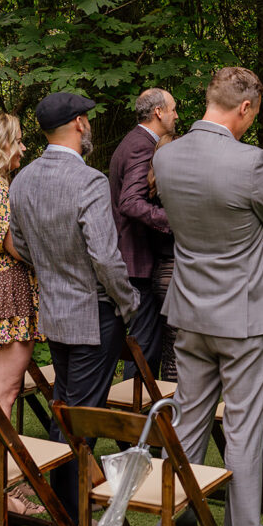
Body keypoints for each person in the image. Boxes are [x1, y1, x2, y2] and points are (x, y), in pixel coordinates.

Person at [152, 67, 263, 526]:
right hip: (242, 317)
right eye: (254, 115)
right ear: (244, 109)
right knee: (242, 430)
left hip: (188, 312)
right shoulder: (254, 165)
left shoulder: (166, 155)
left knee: (189, 420)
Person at [7, 92, 139, 523]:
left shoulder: (23, 178)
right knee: (78, 420)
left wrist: (53, 269)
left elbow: (21, 244)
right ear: (80, 123)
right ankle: (67, 516)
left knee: (66, 407)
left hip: (55, 310)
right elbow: (104, 255)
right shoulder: (90, 181)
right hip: (94, 313)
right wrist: (128, 302)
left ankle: (63, 505)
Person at [0, 111, 46, 518]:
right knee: (0, 398)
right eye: (18, 141)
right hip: (7, 297)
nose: (23, 148)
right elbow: (18, 249)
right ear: (0, 145)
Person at [109, 88, 178, 379]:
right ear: (158, 112)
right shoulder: (141, 145)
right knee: (144, 350)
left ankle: (144, 417)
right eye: (173, 109)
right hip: (138, 262)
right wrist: (175, 221)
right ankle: (138, 421)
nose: (176, 115)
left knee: (144, 347)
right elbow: (130, 202)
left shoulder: (134, 141)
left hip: (135, 260)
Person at [146, 133, 178, 380]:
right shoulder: (178, 194)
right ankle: (175, 413)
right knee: (180, 349)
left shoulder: (152, 192)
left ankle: (168, 411)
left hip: (160, 274)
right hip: (177, 274)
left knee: (171, 346)